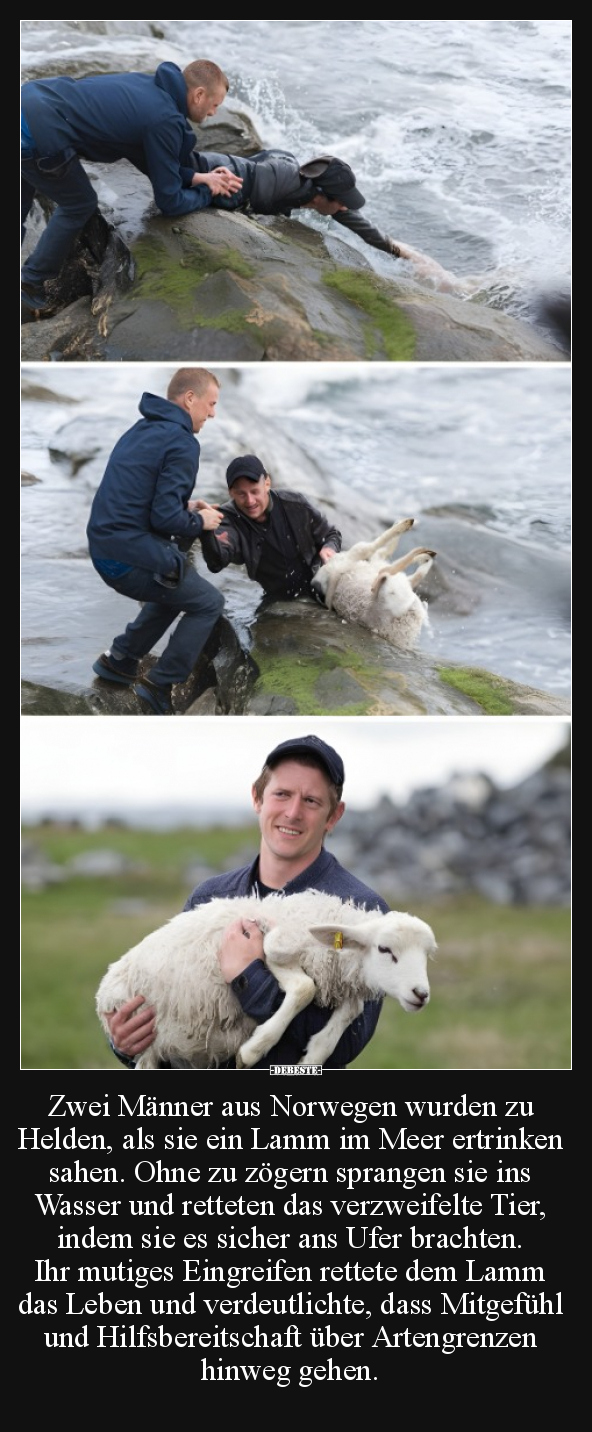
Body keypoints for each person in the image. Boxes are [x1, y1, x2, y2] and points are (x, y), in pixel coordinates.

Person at [105, 733, 389, 1068]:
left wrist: (249, 976)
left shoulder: (361, 913)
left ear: (334, 816)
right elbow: (177, 1025)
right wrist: (127, 1045)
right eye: (281, 794)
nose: (293, 812)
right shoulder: (210, 897)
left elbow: (342, 1048)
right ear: (257, 798)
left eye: (311, 801)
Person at [21, 59, 243, 316]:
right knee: (78, 204)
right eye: (215, 105)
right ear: (199, 94)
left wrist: (199, 177)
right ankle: (30, 283)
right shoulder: (165, 119)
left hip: (27, 100)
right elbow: (169, 201)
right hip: (39, 130)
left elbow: (153, 163)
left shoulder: (150, 86)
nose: (214, 113)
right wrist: (208, 193)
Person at [86, 367, 225, 716]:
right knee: (208, 601)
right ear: (189, 398)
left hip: (104, 548)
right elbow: (165, 519)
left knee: (176, 579)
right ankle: (160, 684)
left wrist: (187, 506)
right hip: (125, 559)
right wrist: (200, 520)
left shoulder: (143, 428)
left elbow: (144, 499)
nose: (212, 412)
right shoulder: (183, 442)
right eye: (210, 403)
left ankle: (120, 660)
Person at [188, 148, 404, 257]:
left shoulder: (310, 183)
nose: (344, 208)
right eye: (342, 202)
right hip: (210, 171)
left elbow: (356, 223)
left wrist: (398, 251)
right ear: (321, 195)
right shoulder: (281, 183)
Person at [199, 453, 341, 602]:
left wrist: (329, 548)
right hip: (277, 601)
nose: (250, 501)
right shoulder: (227, 519)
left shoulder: (295, 504)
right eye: (241, 494)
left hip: (321, 587)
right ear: (231, 493)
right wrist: (206, 532)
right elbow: (216, 563)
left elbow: (332, 534)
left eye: (254, 491)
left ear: (267, 483)